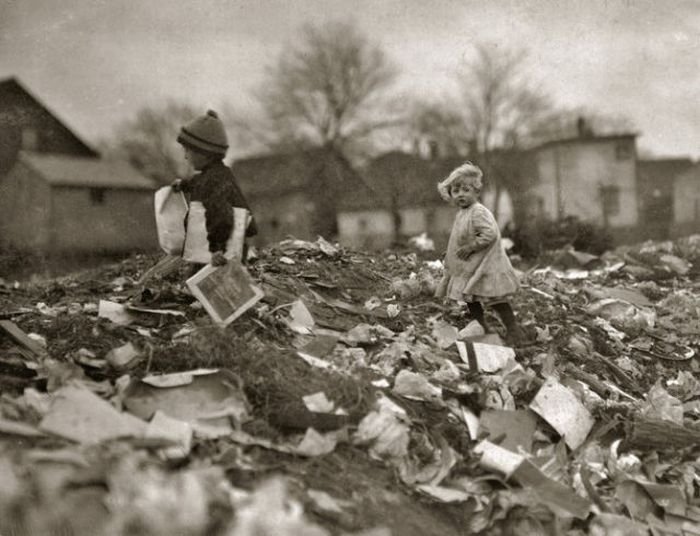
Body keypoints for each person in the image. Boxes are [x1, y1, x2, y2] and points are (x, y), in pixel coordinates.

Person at [435, 162, 525, 345]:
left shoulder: (478, 212)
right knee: (470, 298)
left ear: (476, 192)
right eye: (456, 190)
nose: (460, 194)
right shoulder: (463, 212)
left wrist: (471, 247)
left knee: (496, 298)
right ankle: (483, 326)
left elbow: (490, 234)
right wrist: (451, 252)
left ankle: (514, 332)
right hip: (471, 266)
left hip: (485, 265)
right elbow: (460, 236)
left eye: (466, 190)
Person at [173, 110, 257, 268]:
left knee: (199, 286)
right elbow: (198, 182)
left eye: (188, 151)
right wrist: (184, 185)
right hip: (225, 246)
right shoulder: (216, 174)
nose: (185, 156)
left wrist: (217, 248)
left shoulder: (213, 180)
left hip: (219, 251)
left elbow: (221, 214)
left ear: (205, 154)